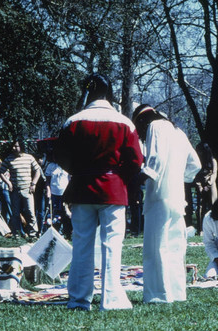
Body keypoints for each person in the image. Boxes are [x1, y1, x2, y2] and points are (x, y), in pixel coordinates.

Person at [55, 73, 143, 311]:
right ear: (109, 93)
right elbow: (136, 160)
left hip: (82, 189)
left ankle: (78, 299)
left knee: (82, 244)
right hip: (113, 190)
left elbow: (61, 156)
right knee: (112, 245)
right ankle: (111, 299)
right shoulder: (124, 122)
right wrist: (118, 177)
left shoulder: (73, 121)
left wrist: (80, 171)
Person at [132, 104, 201, 304]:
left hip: (159, 196)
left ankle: (158, 295)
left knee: (156, 248)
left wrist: (139, 179)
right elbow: (195, 164)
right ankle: (177, 293)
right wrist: (181, 176)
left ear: (143, 121)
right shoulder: (178, 131)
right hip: (178, 198)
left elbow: (155, 159)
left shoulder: (155, 126)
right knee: (175, 248)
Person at [0, 140, 41, 239]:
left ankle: (33, 233)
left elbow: (37, 171)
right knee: (15, 213)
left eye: (16, 146)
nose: (13, 148)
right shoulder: (9, 158)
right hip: (15, 191)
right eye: (13, 146)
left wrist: (34, 183)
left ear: (21, 147)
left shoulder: (29, 158)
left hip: (27, 189)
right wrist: (8, 183)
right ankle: (16, 233)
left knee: (30, 212)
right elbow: (1, 172)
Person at [45, 155, 71, 238]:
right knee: (53, 213)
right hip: (54, 193)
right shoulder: (51, 166)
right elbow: (47, 181)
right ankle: (54, 232)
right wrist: (48, 191)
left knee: (64, 213)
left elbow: (70, 179)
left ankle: (65, 231)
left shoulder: (67, 165)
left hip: (64, 193)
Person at [194, 142, 218, 234]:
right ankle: (201, 229)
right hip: (200, 185)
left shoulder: (213, 161)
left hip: (211, 185)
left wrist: (208, 185)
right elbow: (196, 174)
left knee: (213, 204)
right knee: (200, 207)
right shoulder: (198, 162)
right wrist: (199, 186)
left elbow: (214, 173)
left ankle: (214, 229)